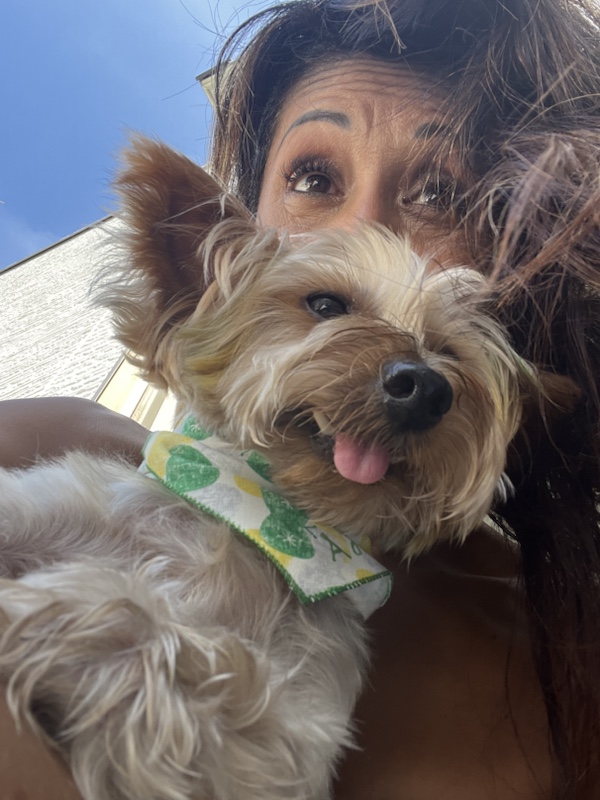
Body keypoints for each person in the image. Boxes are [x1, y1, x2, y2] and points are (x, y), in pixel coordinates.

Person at [2, 0, 600, 796]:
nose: (363, 224)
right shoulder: (45, 439)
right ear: (214, 263)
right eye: (313, 178)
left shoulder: (555, 668)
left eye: (441, 196)